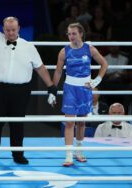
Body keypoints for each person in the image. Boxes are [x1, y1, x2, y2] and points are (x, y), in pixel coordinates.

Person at [0, 0, 56, 165]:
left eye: (13, 30)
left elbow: (40, 67)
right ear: (3, 29)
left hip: (21, 90)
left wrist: (51, 86)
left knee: (18, 124)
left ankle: (18, 154)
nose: (10, 32)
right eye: (7, 30)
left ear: (19, 29)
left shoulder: (28, 46)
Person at [50, 22, 108, 167]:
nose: (71, 36)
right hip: (70, 88)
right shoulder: (64, 51)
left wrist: (97, 80)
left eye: (74, 33)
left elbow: (104, 64)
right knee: (70, 122)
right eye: (69, 34)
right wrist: (52, 90)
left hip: (85, 88)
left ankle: (79, 150)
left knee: (82, 122)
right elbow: (58, 71)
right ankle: (69, 155)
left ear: (81, 34)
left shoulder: (90, 49)